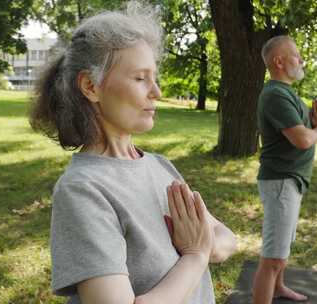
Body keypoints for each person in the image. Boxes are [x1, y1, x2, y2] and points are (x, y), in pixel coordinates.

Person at [29, 2, 237, 303]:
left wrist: (204, 245)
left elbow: (227, 238)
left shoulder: (159, 166)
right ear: (91, 86)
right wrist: (195, 255)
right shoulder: (82, 190)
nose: (157, 92)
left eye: (154, 77)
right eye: (140, 78)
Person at [252, 35, 317, 304]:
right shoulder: (274, 94)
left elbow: (301, 129)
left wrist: (314, 120)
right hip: (280, 183)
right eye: (296, 55)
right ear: (279, 61)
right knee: (273, 257)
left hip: (289, 181)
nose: (302, 59)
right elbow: (303, 139)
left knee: (282, 248)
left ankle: (279, 288)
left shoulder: (284, 92)